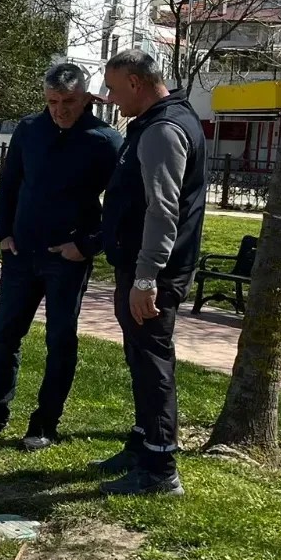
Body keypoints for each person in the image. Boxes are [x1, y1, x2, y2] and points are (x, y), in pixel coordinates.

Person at [0, 62, 123, 449]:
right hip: (20, 254)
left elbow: (119, 207)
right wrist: (3, 234)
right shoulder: (29, 130)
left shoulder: (105, 141)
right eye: (52, 101)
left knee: (60, 341)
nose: (60, 109)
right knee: (5, 336)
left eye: (68, 101)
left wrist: (87, 245)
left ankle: (45, 422)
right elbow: (9, 184)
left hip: (67, 259)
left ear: (86, 98)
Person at [95, 47, 208, 496]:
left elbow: (163, 210)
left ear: (137, 84)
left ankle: (161, 469)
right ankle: (143, 443)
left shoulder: (163, 130)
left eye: (115, 88)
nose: (112, 98)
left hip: (155, 273)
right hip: (143, 265)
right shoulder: (163, 119)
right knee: (140, 361)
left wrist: (146, 278)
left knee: (153, 363)